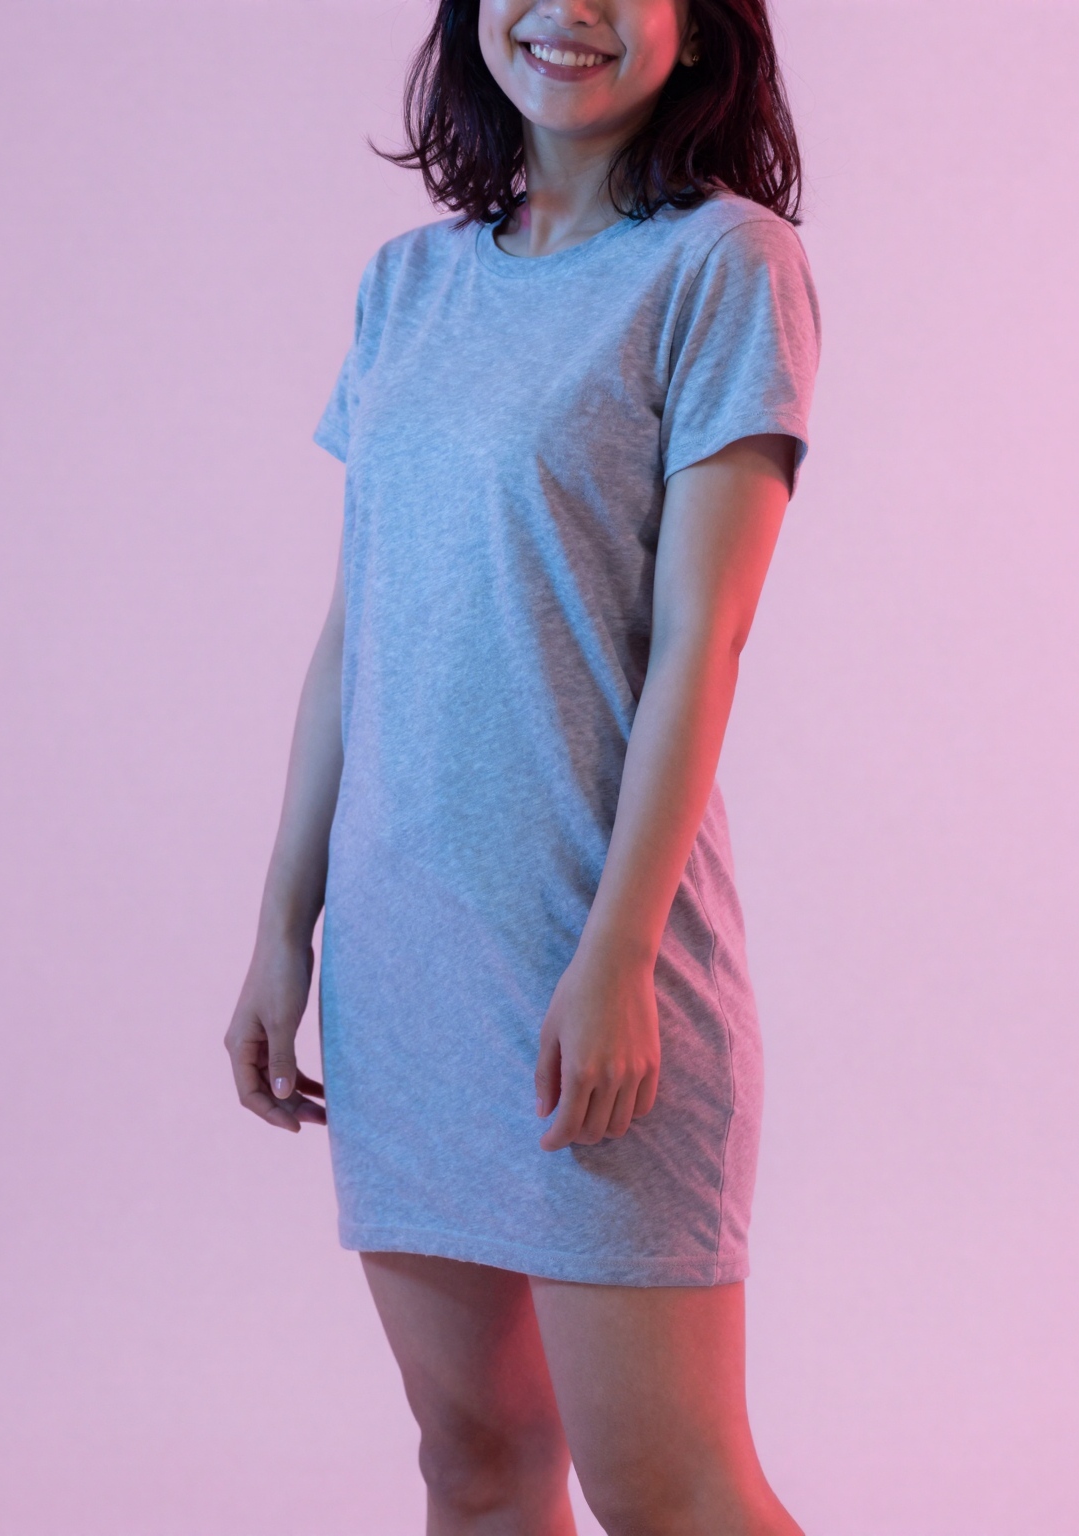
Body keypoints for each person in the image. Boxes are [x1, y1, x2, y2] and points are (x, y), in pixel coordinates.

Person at [226, 1, 820, 1530]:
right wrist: (284, 931)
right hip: (404, 970)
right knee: (476, 1461)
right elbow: (356, 633)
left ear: (697, 32)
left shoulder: (724, 266)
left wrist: (616, 959)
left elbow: (702, 642)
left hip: (589, 958)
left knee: (670, 1492)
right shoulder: (408, 284)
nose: (568, 10)